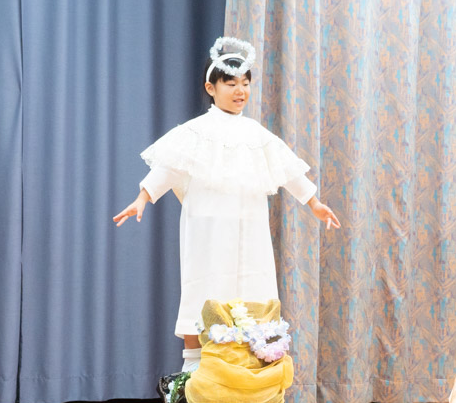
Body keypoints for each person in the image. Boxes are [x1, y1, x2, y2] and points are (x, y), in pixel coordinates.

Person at [113, 36, 340, 372]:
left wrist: (313, 202)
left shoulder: (256, 133)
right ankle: (192, 374)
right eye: (231, 82)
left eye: (245, 83)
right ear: (211, 87)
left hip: (249, 224)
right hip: (208, 225)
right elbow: (169, 167)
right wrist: (143, 197)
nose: (240, 91)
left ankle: (250, 373)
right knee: (204, 285)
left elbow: (287, 169)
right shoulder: (195, 132)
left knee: (253, 284)